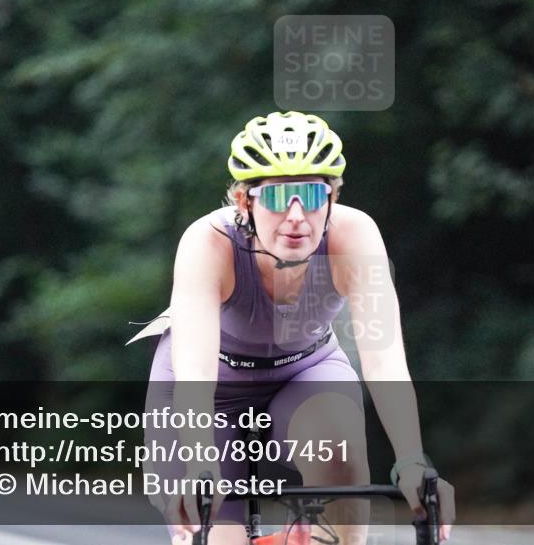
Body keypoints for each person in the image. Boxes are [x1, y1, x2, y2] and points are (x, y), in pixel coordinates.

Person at [131, 111, 454, 545]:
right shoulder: (207, 243)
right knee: (210, 528)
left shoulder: (355, 237)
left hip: (305, 369)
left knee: (338, 447)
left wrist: (413, 461)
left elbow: (384, 359)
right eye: (280, 197)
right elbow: (197, 376)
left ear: (332, 198)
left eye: (312, 195)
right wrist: (199, 464)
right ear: (246, 201)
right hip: (209, 384)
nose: (298, 216)